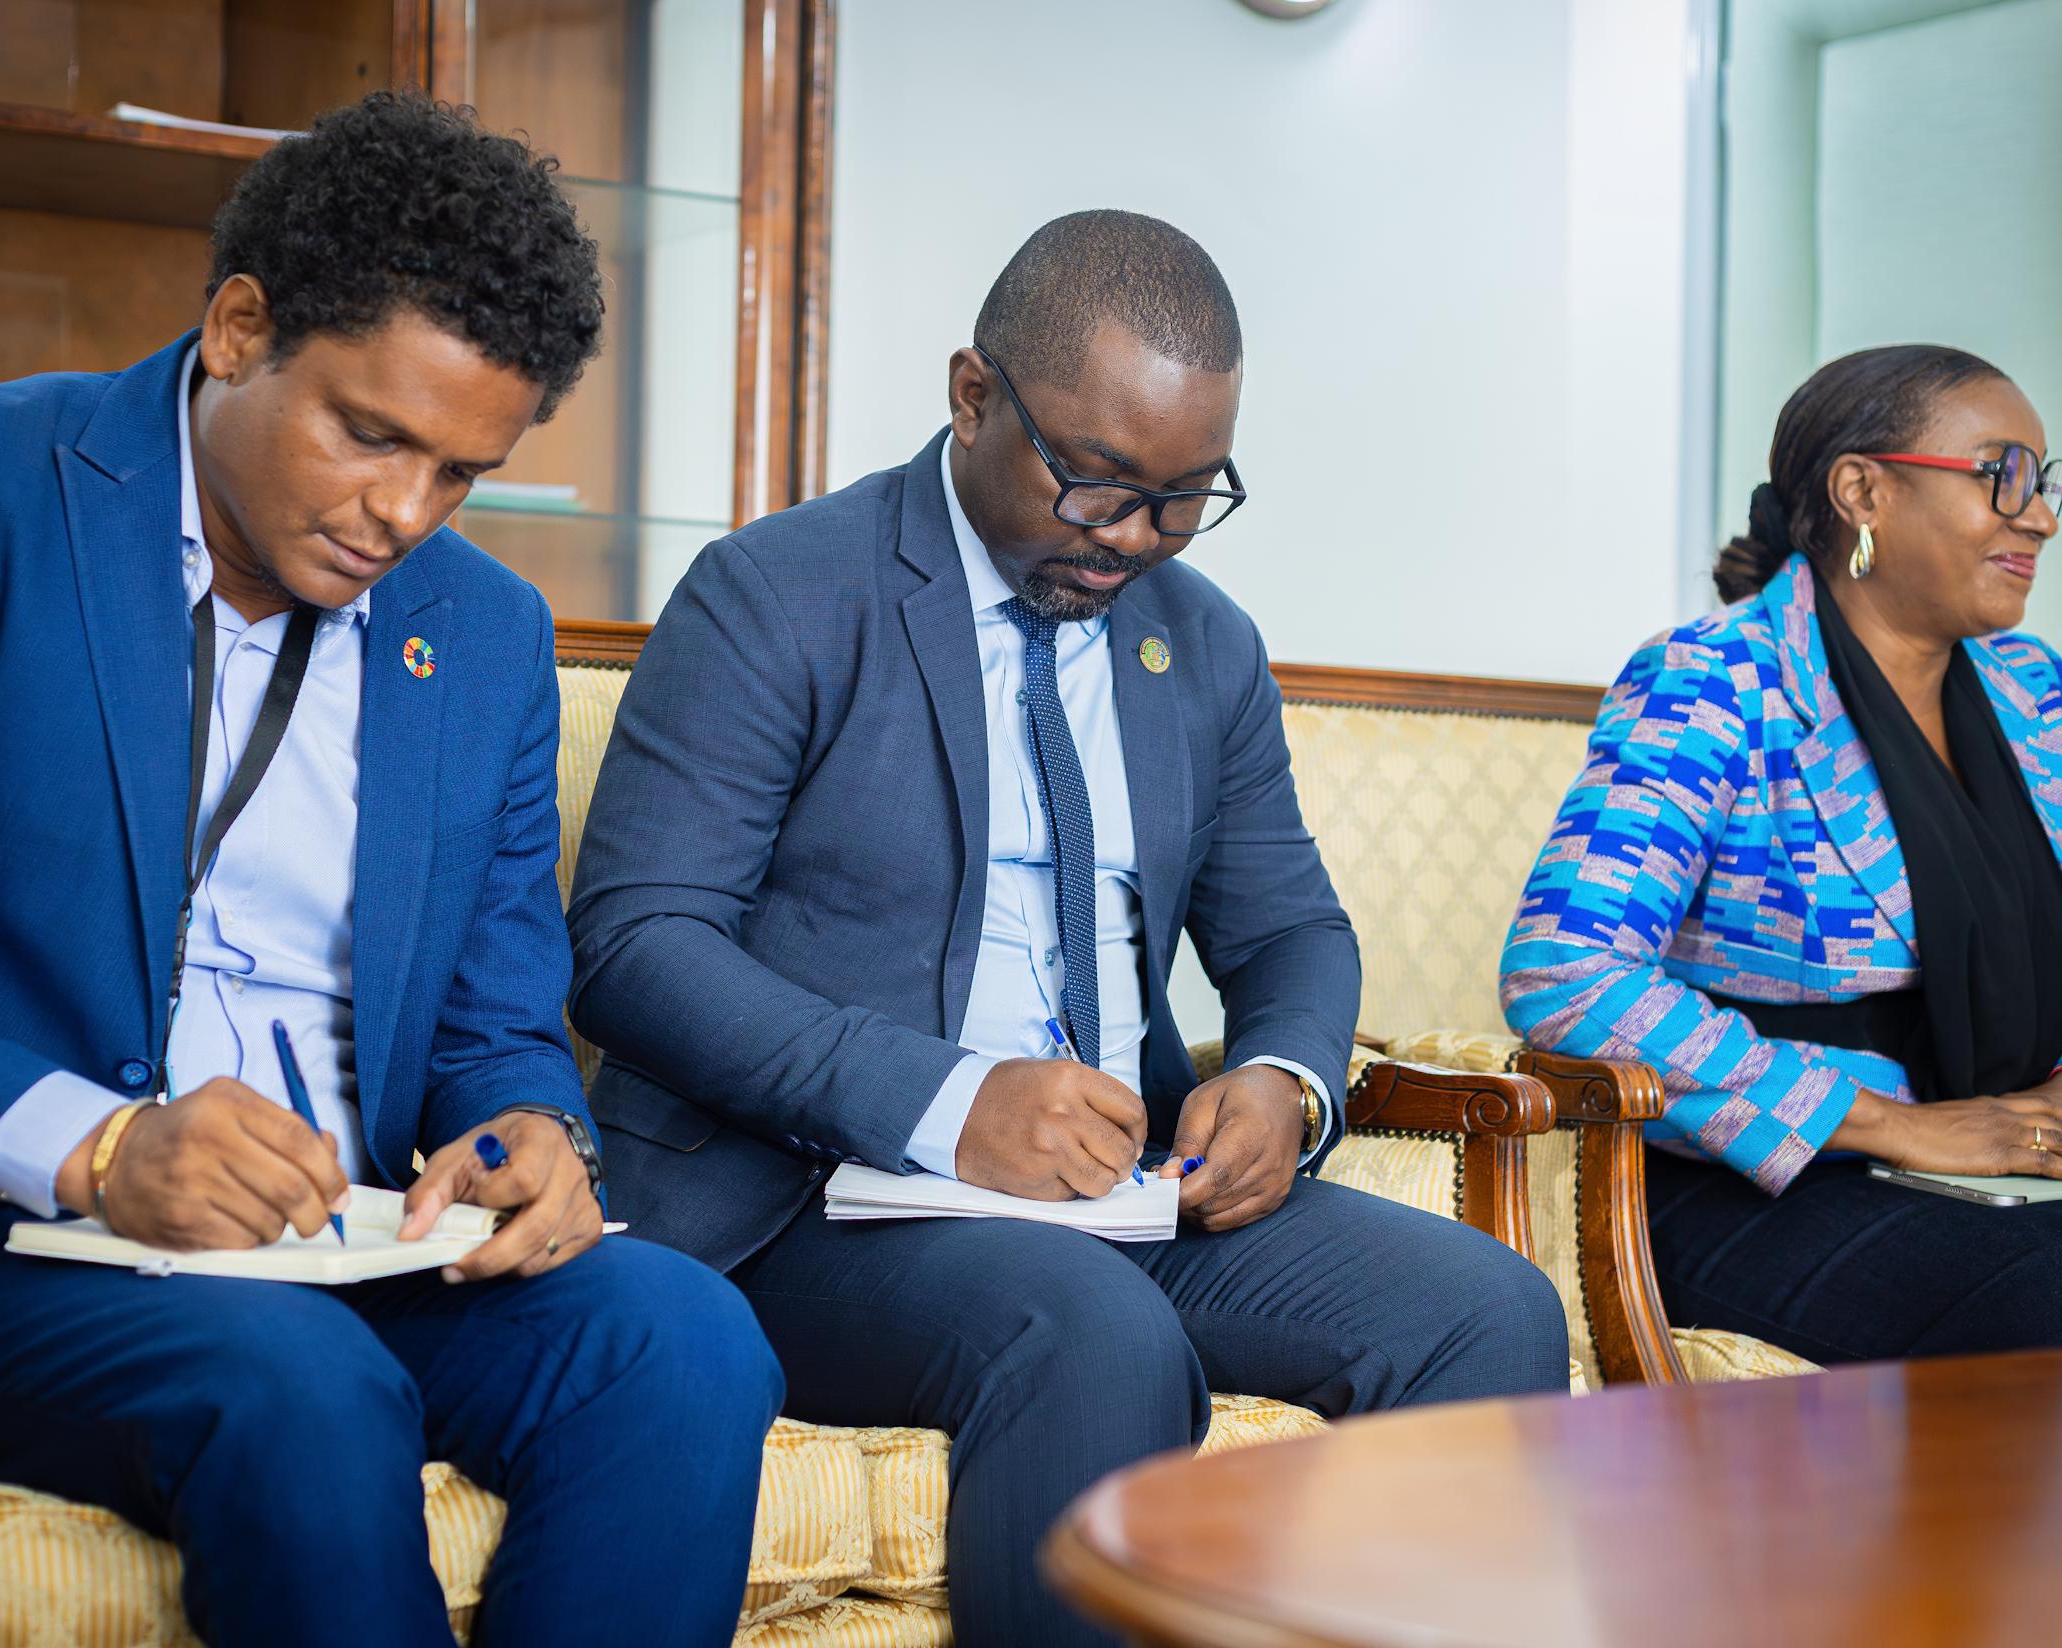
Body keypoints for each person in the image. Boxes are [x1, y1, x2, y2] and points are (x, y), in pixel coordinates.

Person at [0, 93, 780, 1647]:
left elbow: (497, 1019)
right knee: (300, 1390)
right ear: (241, 328)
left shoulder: (485, 633)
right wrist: (96, 1147)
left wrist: (532, 1132)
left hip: (353, 1247)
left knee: (684, 1337)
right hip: (5, 1258)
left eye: (459, 473)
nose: (403, 514)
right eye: (371, 435)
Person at [567, 208, 1569, 1645]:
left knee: (1489, 1312)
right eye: (1096, 483)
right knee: (1094, 1329)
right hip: (815, 1200)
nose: (1135, 538)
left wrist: (1283, 1081)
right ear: (974, 395)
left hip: (1122, 1184)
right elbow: (636, 944)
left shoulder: (1202, 643)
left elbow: (1291, 930)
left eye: (1185, 497)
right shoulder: (779, 592)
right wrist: (953, 1101)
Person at [1502, 343, 2062, 1365]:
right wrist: (1891, 1123)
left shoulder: (2035, 693)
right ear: (1863, 492)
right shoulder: (1717, 680)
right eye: (2002, 475)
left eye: (2043, 482)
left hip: (2006, 1173)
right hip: (1762, 1182)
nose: (2040, 517)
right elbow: (1564, 971)